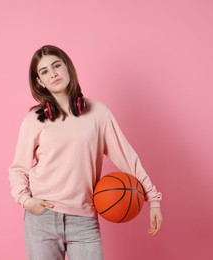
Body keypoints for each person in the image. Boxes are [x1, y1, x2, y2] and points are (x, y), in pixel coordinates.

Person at [9, 45, 163, 260]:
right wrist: (26, 200)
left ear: (67, 68)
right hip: (41, 218)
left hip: (83, 220)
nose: (52, 73)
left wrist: (153, 200)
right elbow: (18, 168)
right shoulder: (34, 119)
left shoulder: (98, 113)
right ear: (39, 81)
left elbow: (128, 159)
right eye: (44, 71)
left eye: (56, 65)